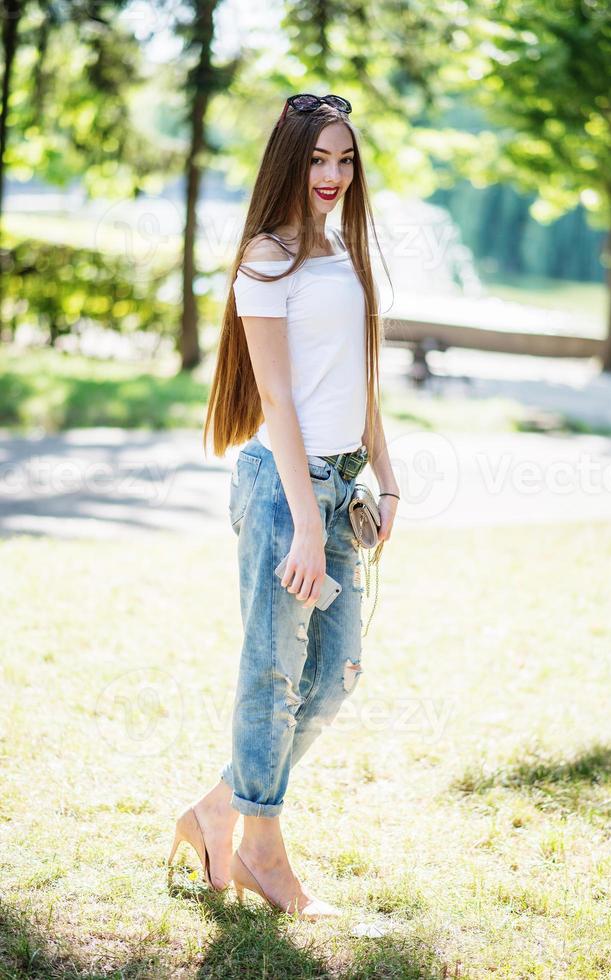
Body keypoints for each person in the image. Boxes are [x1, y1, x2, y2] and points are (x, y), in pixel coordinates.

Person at [168, 93, 401, 920]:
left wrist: (387, 475)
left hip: (341, 486)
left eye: (344, 160)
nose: (334, 175)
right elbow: (278, 399)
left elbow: (358, 378)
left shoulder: (343, 250)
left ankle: (216, 812)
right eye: (317, 160)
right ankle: (261, 847)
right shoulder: (265, 263)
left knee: (334, 677)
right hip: (284, 490)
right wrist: (307, 518)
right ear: (289, 163)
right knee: (272, 674)